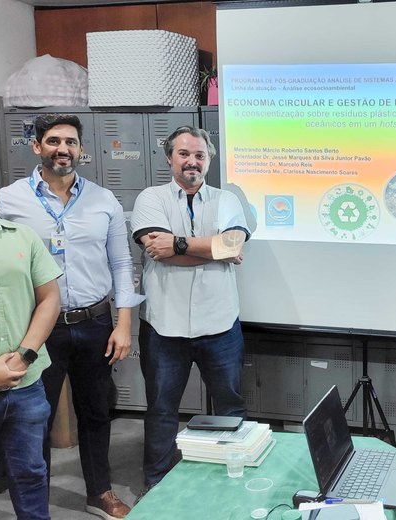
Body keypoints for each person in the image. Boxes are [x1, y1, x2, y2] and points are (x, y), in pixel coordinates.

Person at [0, 113, 143, 519]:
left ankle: (100, 492)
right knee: (34, 417)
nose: (63, 149)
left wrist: (124, 323)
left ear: (81, 149)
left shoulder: (103, 200)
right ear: (37, 146)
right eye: (54, 141)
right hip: (38, 327)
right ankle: (34, 499)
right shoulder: (8, 200)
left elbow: (121, 265)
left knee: (96, 412)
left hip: (94, 322)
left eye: (71, 142)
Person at [130, 126, 250, 498]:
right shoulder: (151, 198)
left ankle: (230, 475)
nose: (192, 161)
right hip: (163, 327)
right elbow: (156, 250)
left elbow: (233, 245)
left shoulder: (226, 199)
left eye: (199, 155)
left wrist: (179, 245)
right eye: (184, 154)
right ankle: (157, 483)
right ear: (170, 159)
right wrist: (212, 250)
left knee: (229, 406)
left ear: (209, 160)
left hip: (219, 325)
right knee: (162, 409)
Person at [0, 157, 62, 519]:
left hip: (26, 386)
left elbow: (49, 299)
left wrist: (24, 356)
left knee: (31, 475)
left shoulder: (23, 237)